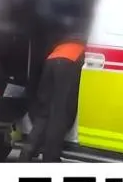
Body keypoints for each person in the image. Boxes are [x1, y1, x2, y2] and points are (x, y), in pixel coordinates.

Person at [18, 13, 86, 162]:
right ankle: (50, 157)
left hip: (52, 59)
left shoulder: (68, 36)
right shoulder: (87, 39)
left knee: (44, 112)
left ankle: (27, 152)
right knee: (60, 113)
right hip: (70, 62)